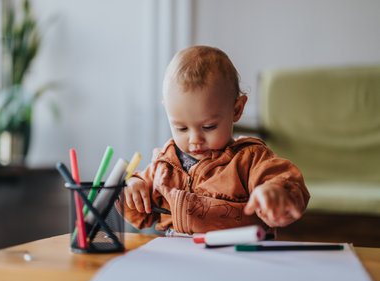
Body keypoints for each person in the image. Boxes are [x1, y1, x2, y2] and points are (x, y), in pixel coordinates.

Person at [121, 45, 309, 234]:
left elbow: (288, 182)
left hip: (240, 254)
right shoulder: (164, 165)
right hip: (178, 256)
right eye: (181, 128)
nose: (195, 140)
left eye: (208, 127)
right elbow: (141, 217)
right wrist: (132, 188)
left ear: (236, 110)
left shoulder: (250, 158)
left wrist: (276, 192)